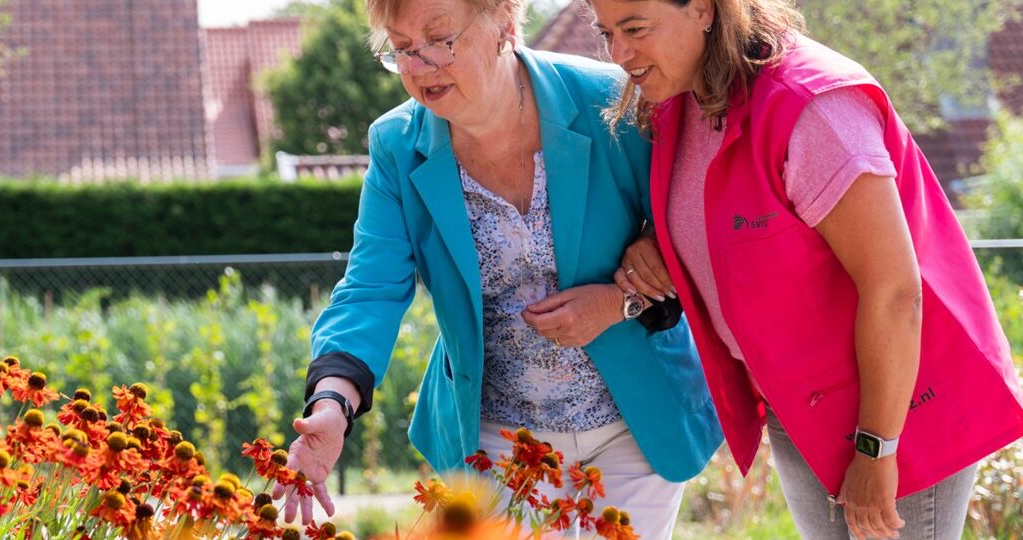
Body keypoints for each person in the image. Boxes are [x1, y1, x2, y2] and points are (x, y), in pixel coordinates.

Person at [271, 0, 724, 537]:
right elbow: (370, 288)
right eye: (402, 49)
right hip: (495, 442)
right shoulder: (397, 146)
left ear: (505, 23)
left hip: (635, 425)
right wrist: (332, 404)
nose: (419, 67)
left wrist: (617, 301)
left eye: (439, 40)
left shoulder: (614, 101)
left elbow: (698, 223)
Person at [587, 0, 1023, 538]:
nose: (618, 53)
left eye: (634, 29)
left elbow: (894, 291)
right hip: (801, 406)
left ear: (702, 9)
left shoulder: (812, 111)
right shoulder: (686, 100)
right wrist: (659, 243)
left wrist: (877, 449)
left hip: (897, 409)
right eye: (607, 32)